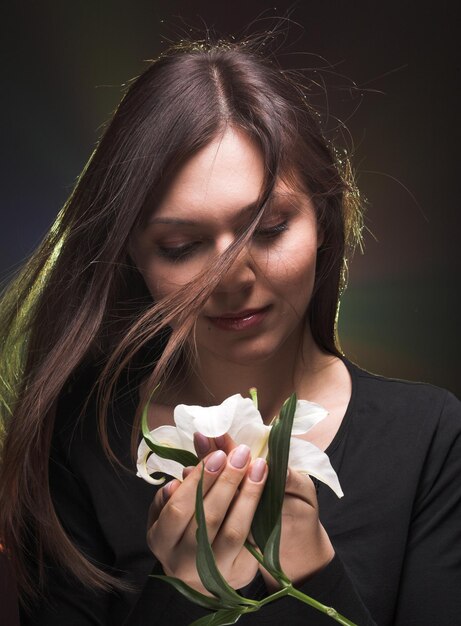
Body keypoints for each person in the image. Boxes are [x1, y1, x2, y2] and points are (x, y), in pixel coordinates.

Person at [0, 34, 460, 626]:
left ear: (322, 219)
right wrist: (184, 591)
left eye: (266, 229)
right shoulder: (78, 444)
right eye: (182, 245)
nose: (232, 276)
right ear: (133, 257)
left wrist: (314, 575)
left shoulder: (430, 441)